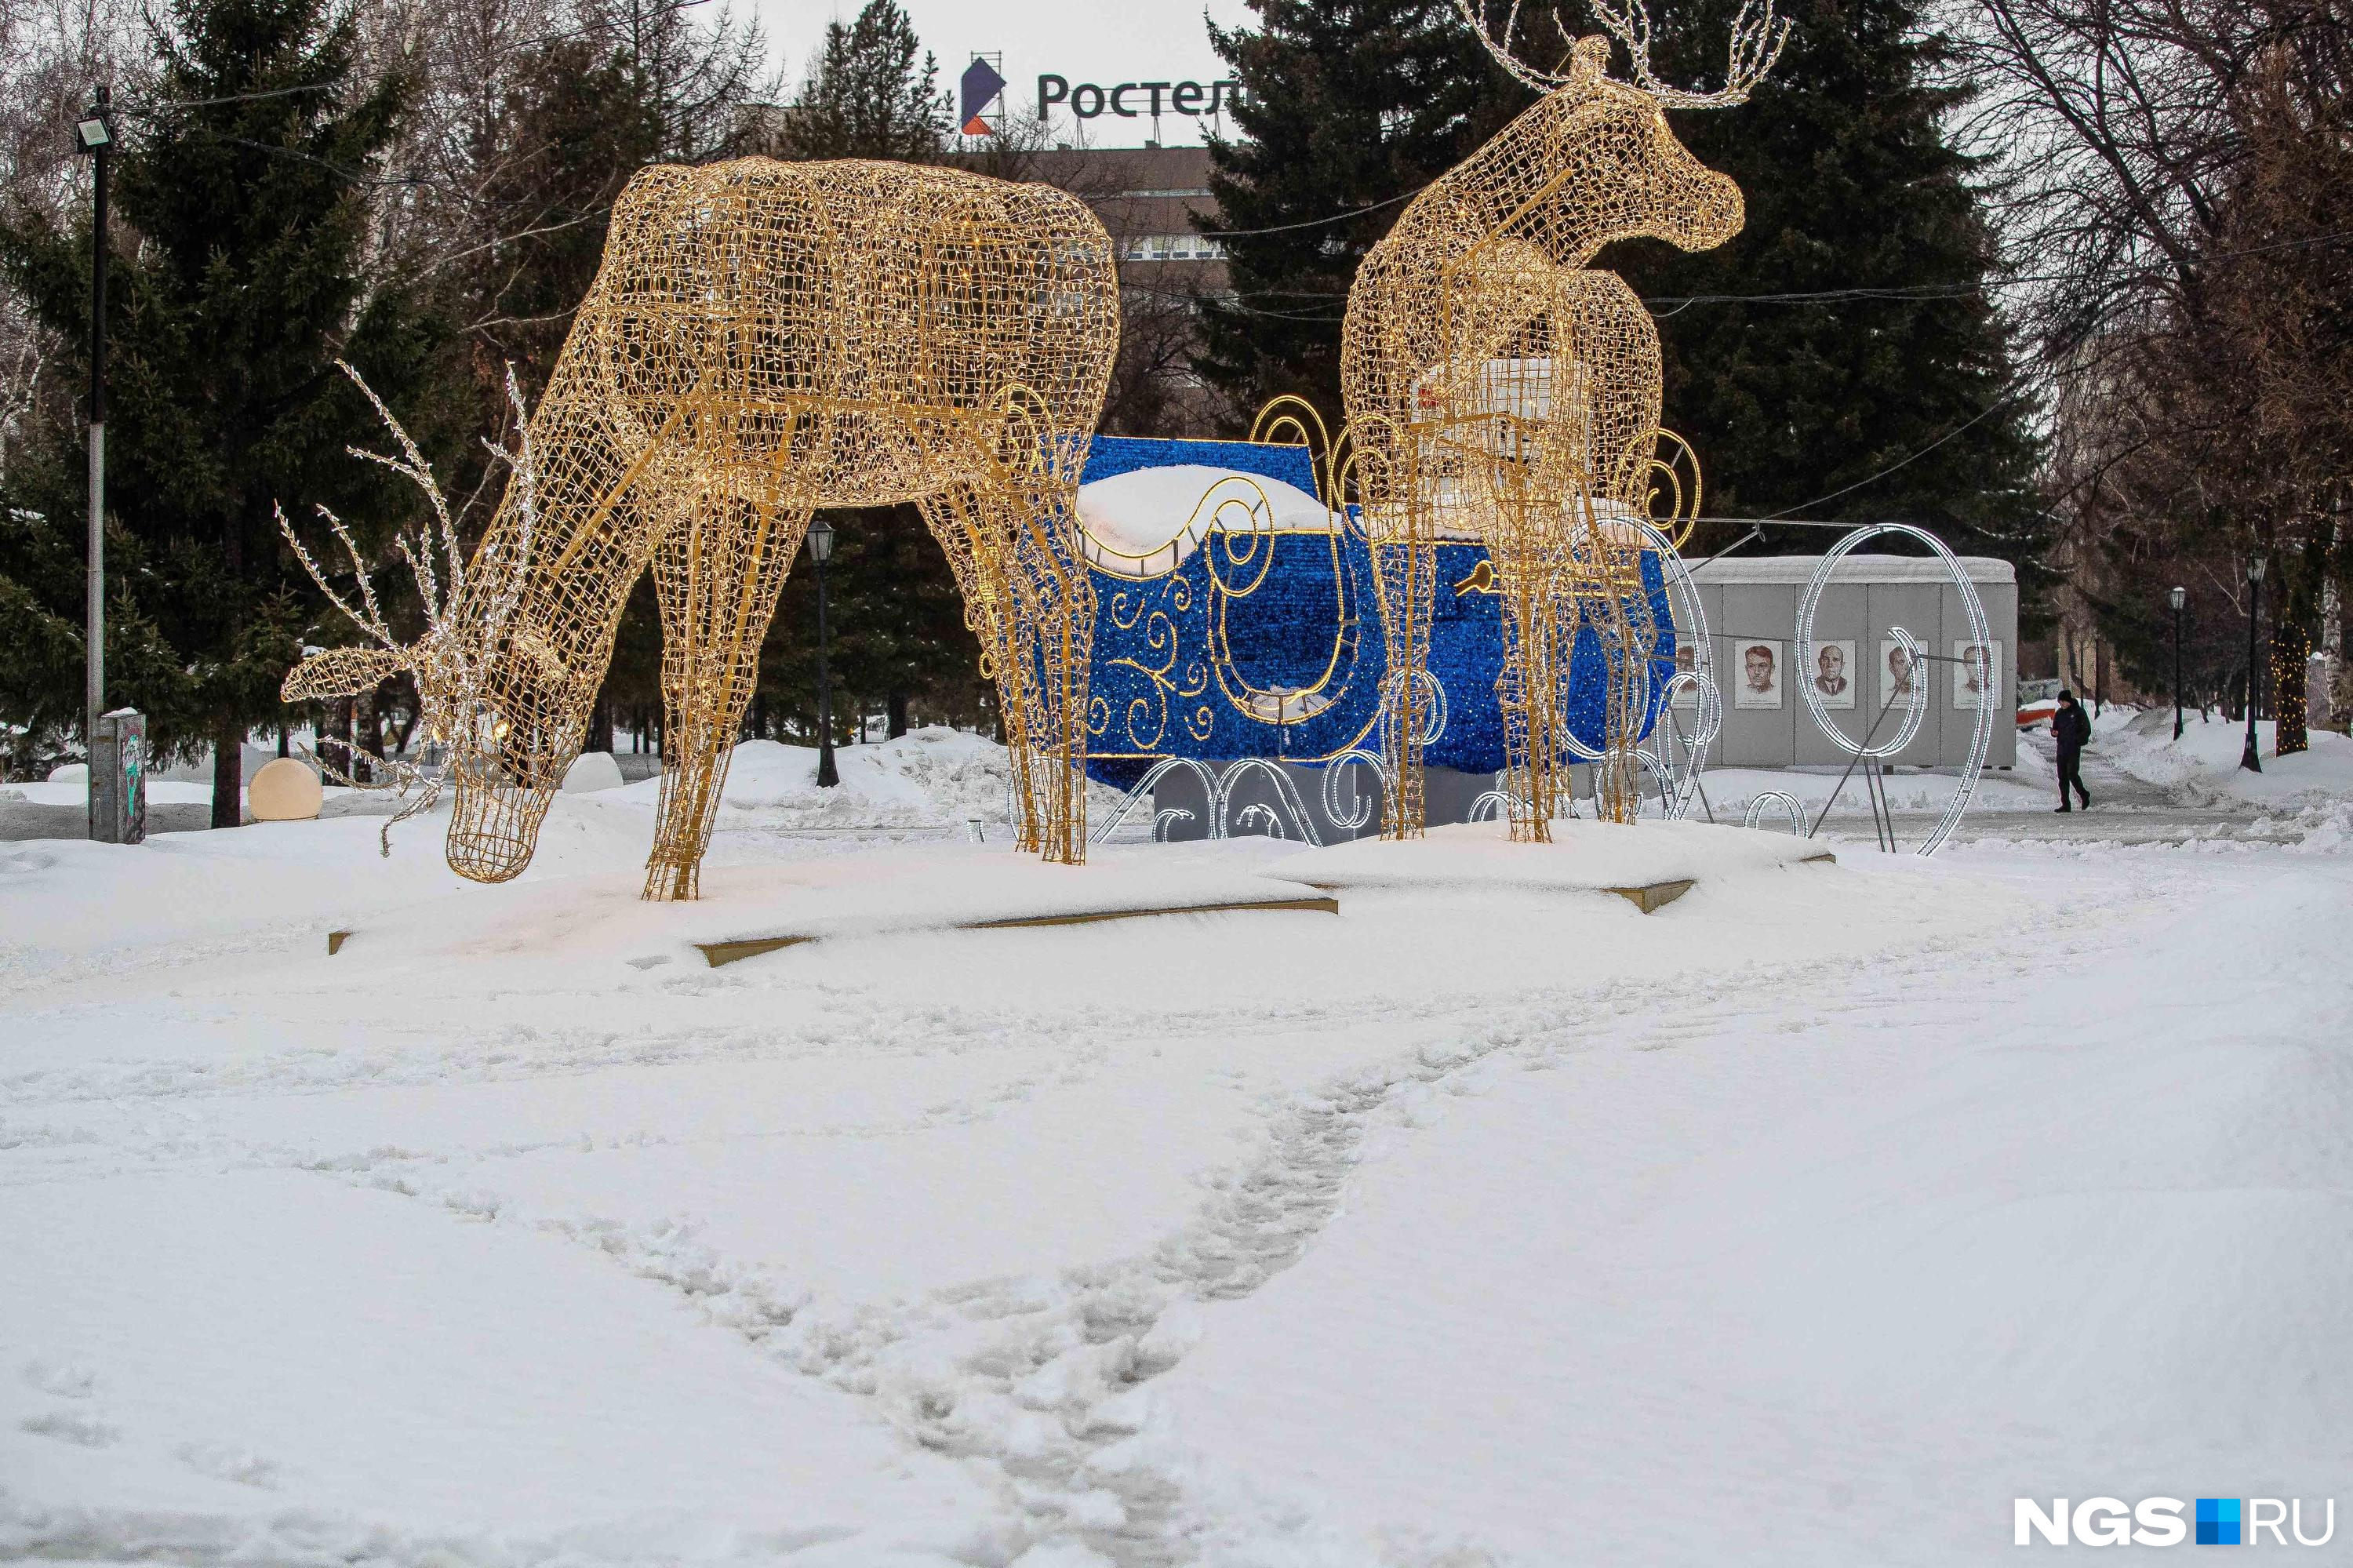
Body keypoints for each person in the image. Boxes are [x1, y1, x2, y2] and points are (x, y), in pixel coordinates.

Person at [2052, 689, 2092, 812]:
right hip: (2061, 749)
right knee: (2062, 777)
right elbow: (2055, 729)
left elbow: (2087, 729)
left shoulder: (2079, 713)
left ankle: (2084, 795)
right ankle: (2065, 804)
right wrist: (2055, 733)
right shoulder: (2059, 714)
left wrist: (2078, 740)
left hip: (2073, 749)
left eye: (2063, 702)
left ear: (2069, 701)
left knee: (2072, 774)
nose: (2062, 704)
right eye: (2060, 702)